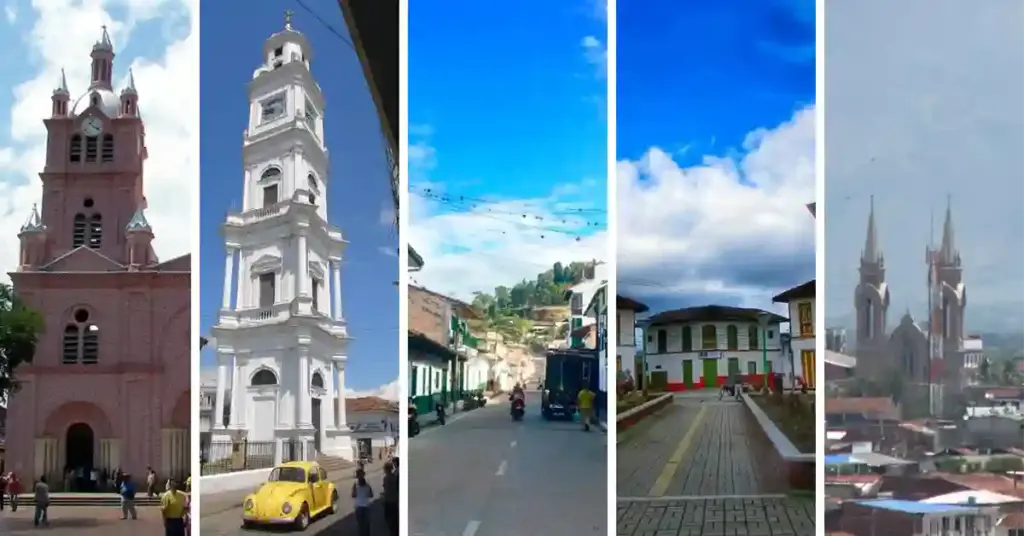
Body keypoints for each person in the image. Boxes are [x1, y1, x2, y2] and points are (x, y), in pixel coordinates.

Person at [352, 472, 374, 536]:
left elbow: (353, 495)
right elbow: (371, 495)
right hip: (366, 506)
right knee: (367, 525)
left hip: (358, 507)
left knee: (360, 525)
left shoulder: (355, 485)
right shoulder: (367, 485)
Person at [382, 461, 399, 536]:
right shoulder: (394, 477)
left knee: (389, 519)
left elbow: (387, 490)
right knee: (394, 519)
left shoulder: (386, 478)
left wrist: (383, 499)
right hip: (395, 500)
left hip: (388, 500)